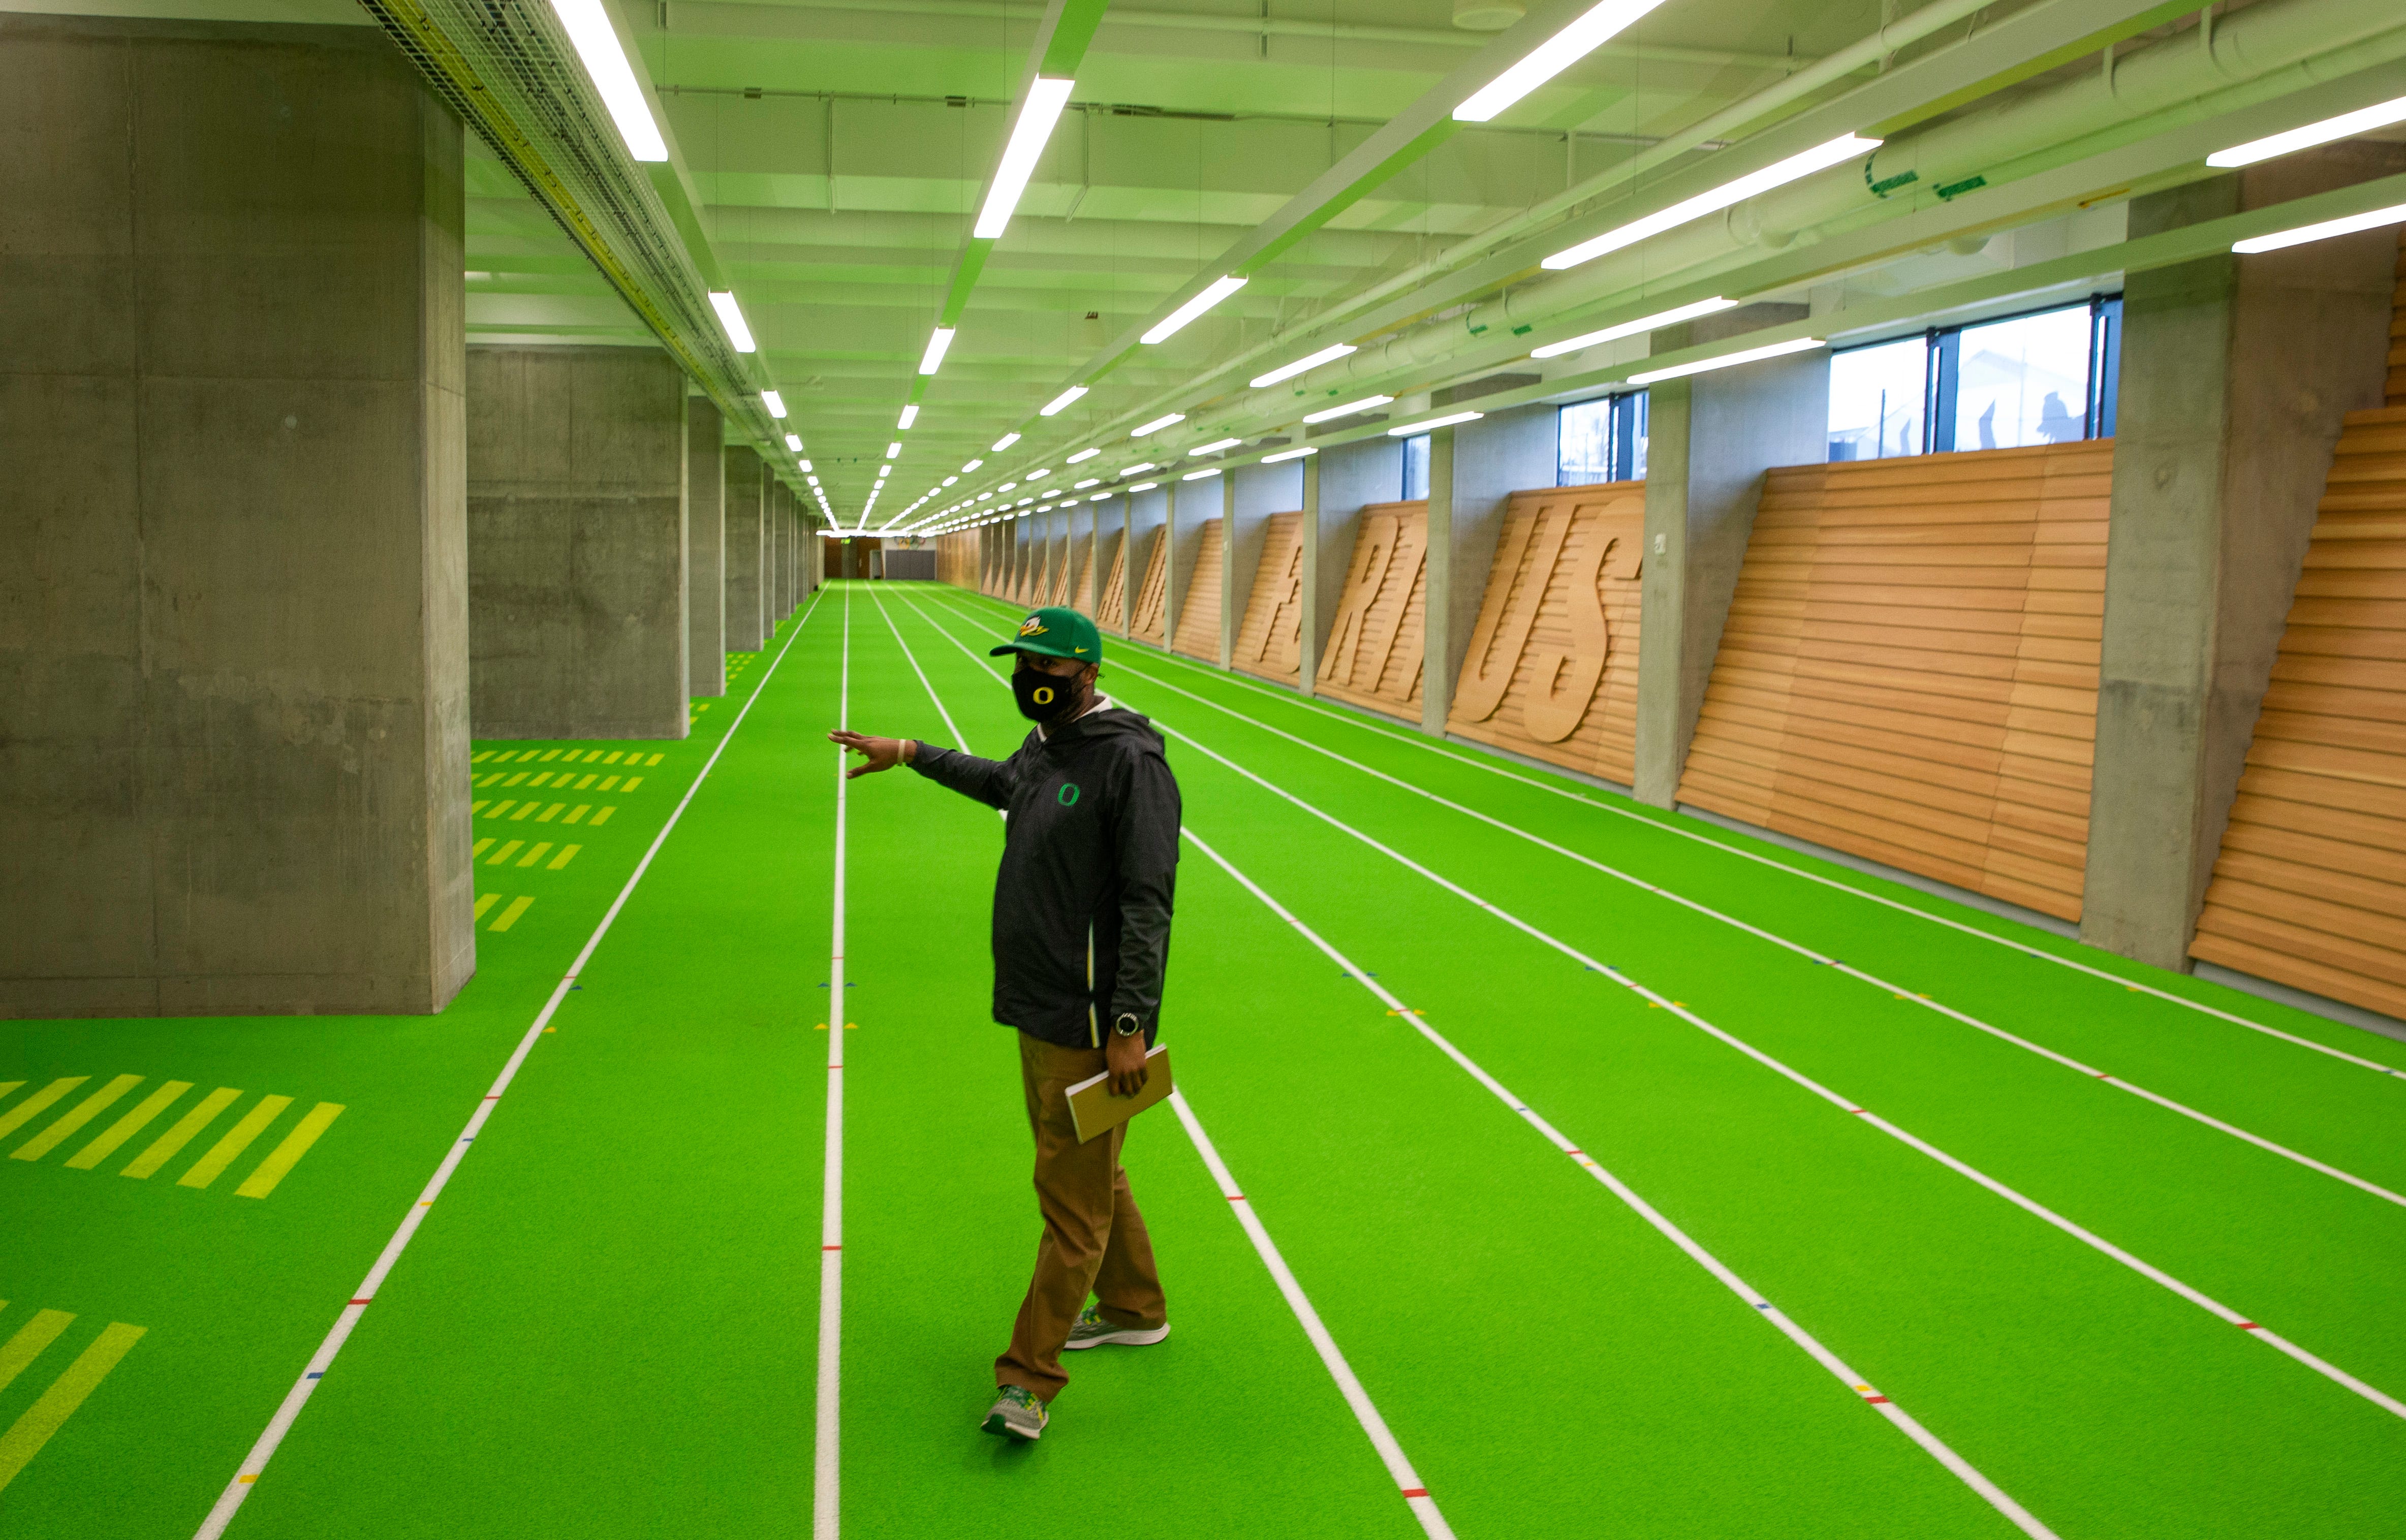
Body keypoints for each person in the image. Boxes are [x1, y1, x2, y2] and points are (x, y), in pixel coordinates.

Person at [828, 605, 1181, 1444]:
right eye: (1023, 666)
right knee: (1091, 1169)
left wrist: (1129, 1023)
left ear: (1087, 673)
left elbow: (1147, 904)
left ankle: (1028, 1381)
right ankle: (1134, 1306)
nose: (1031, 681)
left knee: (1070, 1207)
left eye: (1047, 670)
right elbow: (1005, 785)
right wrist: (913, 754)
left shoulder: (1130, 763)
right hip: (1037, 1002)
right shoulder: (1051, 746)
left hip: (1087, 1020)